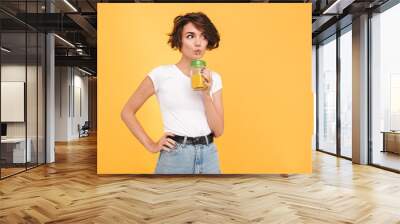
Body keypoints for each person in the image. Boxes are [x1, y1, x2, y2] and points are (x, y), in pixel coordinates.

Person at [121, 12, 224, 174]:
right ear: (179, 40)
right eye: (190, 36)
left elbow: (218, 130)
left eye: (203, 37)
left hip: (209, 155)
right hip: (176, 156)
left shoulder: (214, 78)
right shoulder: (161, 74)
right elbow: (127, 112)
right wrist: (151, 145)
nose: (198, 43)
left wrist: (206, 94)